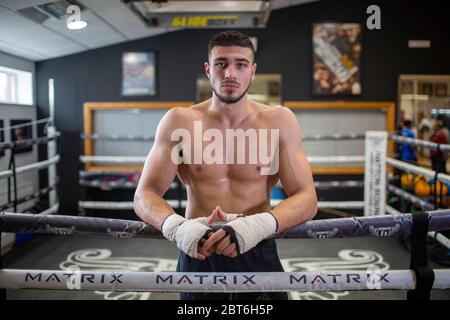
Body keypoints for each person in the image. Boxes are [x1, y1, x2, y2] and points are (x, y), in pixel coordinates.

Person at [134, 31, 318, 300]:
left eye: (240, 64)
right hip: (198, 246)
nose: (230, 73)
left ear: (252, 71)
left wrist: (256, 226)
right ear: (208, 70)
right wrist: (178, 227)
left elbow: (307, 198)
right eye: (221, 64)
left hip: (257, 247)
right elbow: (144, 195)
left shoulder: (279, 121)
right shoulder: (179, 121)